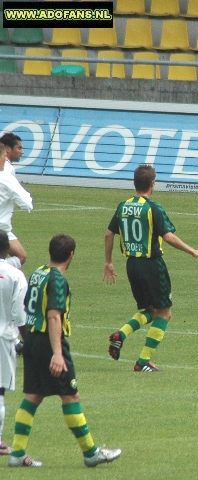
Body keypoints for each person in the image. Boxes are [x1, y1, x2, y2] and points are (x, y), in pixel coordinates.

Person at [9, 234, 122, 468]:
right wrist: (57, 353)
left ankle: (17, 453)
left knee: (33, 395)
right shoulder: (58, 280)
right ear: (71, 255)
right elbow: (53, 316)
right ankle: (91, 452)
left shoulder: (39, 273)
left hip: (31, 339)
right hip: (49, 342)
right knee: (71, 396)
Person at [104, 165, 198, 372]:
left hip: (131, 265)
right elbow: (168, 236)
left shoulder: (123, 206)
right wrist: (193, 251)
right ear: (152, 184)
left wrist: (108, 261)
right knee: (165, 313)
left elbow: (109, 234)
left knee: (149, 310)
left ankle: (121, 334)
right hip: (151, 264)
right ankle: (143, 362)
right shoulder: (153, 208)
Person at [0, 230, 27, 456]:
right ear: (7, 249)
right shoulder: (15, 275)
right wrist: (28, 341)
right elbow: (19, 314)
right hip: (4, 337)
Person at [0, 143, 32, 269]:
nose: (6, 159)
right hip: (2, 229)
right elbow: (26, 203)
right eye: (4, 156)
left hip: (4, 228)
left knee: (21, 255)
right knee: (20, 256)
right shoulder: (6, 177)